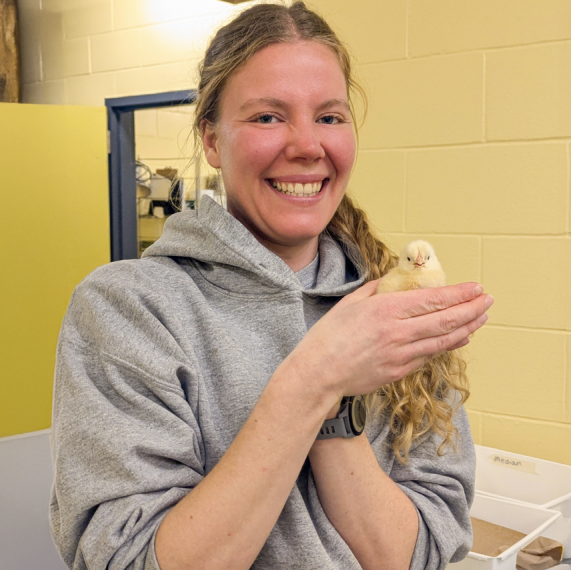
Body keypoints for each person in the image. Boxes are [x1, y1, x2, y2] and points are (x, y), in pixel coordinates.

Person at [49, 3, 492, 570]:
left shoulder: (391, 305)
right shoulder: (129, 310)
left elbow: (419, 556)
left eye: (330, 117)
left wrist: (334, 406)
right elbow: (129, 560)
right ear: (210, 139)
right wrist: (318, 374)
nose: (308, 145)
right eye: (267, 117)